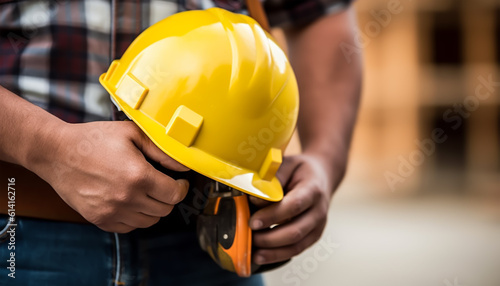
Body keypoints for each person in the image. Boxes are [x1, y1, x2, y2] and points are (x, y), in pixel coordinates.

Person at [0, 0, 361, 285]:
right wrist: (47, 146)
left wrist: (324, 162)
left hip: (210, 230)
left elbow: (321, 15)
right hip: (19, 223)